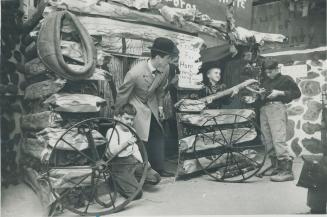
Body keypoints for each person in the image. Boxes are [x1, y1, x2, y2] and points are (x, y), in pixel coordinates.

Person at [115, 37, 178, 177]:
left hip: (152, 104)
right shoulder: (135, 73)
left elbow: (160, 90)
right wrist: (118, 115)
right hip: (135, 104)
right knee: (142, 137)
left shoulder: (165, 68)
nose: (169, 62)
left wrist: (160, 107)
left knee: (157, 133)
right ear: (158, 57)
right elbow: (122, 94)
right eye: (168, 58)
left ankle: (159, 169)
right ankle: (142, 172)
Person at [258, 59, 301, 182]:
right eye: (266, 72)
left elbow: (297, 93)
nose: (268, 74)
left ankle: (287, 171)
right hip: (264, 109)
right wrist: (261, 94)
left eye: (270, 71)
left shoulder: (286, 79)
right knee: (267, 139)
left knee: (278, 139)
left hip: (277, 108)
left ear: (277, 68)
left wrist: (280, 92)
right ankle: (276, 167)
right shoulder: (265, 81)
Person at [106, 103, 161, 200]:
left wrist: (144, 162)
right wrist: (126, 143)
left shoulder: (131, 130)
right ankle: (116, 180)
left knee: (156, 178)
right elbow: (112, 152)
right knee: (137, 195)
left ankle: (131, 179)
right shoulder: (113, 131)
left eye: (131, 119)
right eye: (126, 118)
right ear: (119, 117)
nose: (129, 122)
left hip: (132, 162)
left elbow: (135, 149)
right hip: (120, 165)